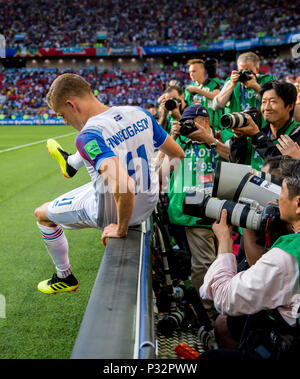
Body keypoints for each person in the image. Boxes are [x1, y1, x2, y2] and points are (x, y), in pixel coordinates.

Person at [34, 73, 184, 295]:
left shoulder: (88, 134)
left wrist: (121, 228)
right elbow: (177, 154)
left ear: (71, 105)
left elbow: (124, 186)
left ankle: (64, 276)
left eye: (62, 115)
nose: (65, 121)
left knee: (41, 214)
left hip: (114, 212)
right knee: (101, 167)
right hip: (147, 203)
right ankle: (71, 163)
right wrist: (156, 182)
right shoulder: (139, 113)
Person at [199, 157, 300, 360]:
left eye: (281, 191)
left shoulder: (287, 255)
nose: (276, 199)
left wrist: (225, 241)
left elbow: (225, 298)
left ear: (298, 204)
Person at [166, 104, 230, 321]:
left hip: (219, 212)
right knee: (204, 264)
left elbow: (236, 159)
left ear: (205, 121)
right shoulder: (180, 144)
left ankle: (216, 310)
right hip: (191, 214)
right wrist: (171, 140)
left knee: (219, 261)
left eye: (191, 122)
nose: (187, 126)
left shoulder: (220, 138)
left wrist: (210, 140)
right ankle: (210, 316)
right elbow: (160, 174)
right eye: (183, 122)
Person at [230, 80, 300, 170]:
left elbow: (280, 167)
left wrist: (257, 137)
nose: (266, 107)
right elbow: (236, 164)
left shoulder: (296, 133)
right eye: (263, 102)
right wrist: (238, 139)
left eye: (273, 101)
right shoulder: (260, 132)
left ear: (290, 106)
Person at [213, 52, 274, 123]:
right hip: (237, 127)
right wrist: (232, 85)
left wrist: (256, 87)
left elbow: (274, 102)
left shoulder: (267, 80)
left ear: (257, 70)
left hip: (261, 128)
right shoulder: (231, 81)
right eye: (241, 71)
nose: (245, 73)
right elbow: (217, 106)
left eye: (248, 71)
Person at [185, 58, 222, 131]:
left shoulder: (213, 82)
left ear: (203, 70)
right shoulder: (188, 88)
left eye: (194, 71)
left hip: (213, 128)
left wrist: (197, 90)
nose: (191, 74)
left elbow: (216, 97)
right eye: (190, 72)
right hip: (195, 128)